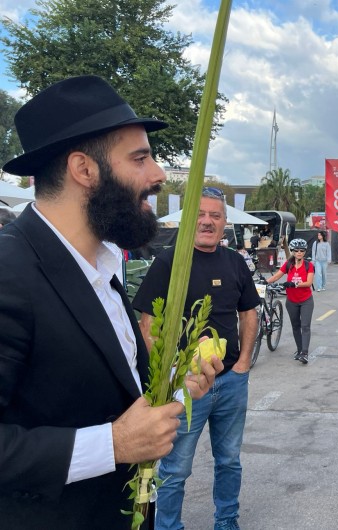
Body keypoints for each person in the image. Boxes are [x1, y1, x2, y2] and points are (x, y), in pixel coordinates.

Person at [0, 75, 219, 529]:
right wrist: (113, 446)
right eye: (140, 158)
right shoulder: (10, 272)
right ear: (84, 170)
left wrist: (179, 387)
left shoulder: (103, 267)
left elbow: (115, 405)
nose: (158, 174)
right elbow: (117, 435)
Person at [133, 186, 259, 530]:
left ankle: (226, 522)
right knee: (176, 468)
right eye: (201, 215)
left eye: (215, 216)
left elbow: (249, 313)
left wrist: (244, 362)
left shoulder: (235, 262)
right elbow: (149, 323)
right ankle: (168, 526)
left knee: (230, 460)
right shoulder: (170, 261)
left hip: (231, 381)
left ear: (224, 222)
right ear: (190, 220)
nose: (207, 221)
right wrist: (171, 373)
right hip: (185, 386)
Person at [266, 238, 315, 364]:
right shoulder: (288, 264)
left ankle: (304, 353)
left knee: (305, 326)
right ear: (293, 251)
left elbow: (309, 282)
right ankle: (299, 350)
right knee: (295, 326)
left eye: (302, 250)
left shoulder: (309, 265)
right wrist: (265, 282)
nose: (299, 252)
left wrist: (294, 284)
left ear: (305, 252)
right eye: (296, 250)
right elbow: (277, 275)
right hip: (291, 301)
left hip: (306, 301)